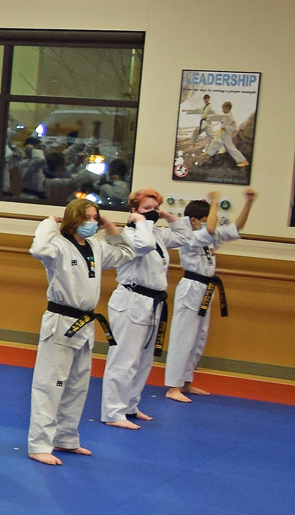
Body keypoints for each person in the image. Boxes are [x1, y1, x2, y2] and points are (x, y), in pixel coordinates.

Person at [26, 198, 138, 464]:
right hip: (61, 321)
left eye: (95, 218)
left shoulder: (97, 247)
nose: (92, 222)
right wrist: (47, 224)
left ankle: (65, 438)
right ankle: (39, 445)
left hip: (86, 324)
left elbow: (128, 253)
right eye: (87, 217)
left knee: (77, 385)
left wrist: (111, 228)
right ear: (73, 219)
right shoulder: (58, 246)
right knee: (50, 384)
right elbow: (37, 248)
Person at [99, 189, 187, 430]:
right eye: (146, 208)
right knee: (124, 359)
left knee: (143, 360)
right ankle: (113, 411)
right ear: (133, 210)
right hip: (131, 300)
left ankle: (129, 405)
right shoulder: (128, 235)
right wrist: (140, 222)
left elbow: (185, 237)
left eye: (155, 208)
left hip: (153, 303)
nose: (152, 213)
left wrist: (166, 215)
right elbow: (144, 246)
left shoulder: (157, 233)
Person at [166, 189, 255, 401]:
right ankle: (173, 387)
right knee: (183, 336)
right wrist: (215, 201)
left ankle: (186, 382)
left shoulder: (209, 237)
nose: (210, 223)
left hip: (206, 289)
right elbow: (212, 227)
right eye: (205, 220)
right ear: (194, 221)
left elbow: (236, 227)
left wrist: (249, 203)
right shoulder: (189, 235)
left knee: (198, 338)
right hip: (191, 287)